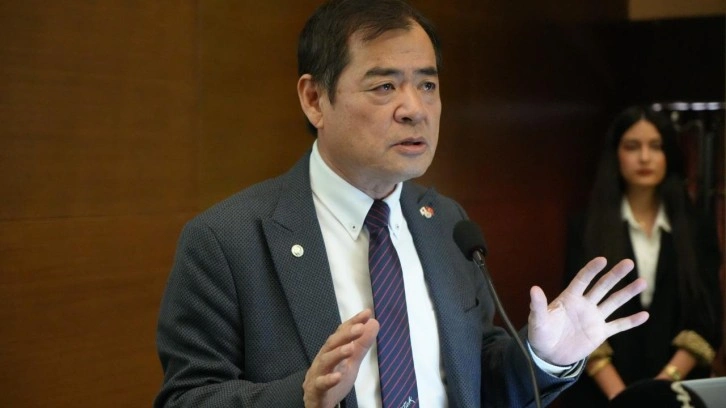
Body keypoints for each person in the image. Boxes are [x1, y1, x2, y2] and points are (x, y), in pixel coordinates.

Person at [154, 1, 650, 407]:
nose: (415, 109)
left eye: (428, 85)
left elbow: (476, 379)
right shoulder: (227, 240)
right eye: (384, 86)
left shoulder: (448, 223)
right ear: (314, 99)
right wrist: (301, 398)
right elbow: (187, 398)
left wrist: (543, 358)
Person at [560, 105, 723, 407]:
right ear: (616, 155)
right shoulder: (586, 227)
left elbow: (707, 318)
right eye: (632, 147)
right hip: (604, 394)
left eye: (656, 146)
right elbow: (576, 316)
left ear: (669, 154)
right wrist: (623, 399)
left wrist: (660, 391)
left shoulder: (696, 227)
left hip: (678, 392)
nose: (645, 157)